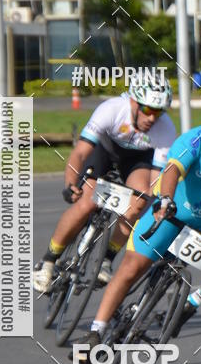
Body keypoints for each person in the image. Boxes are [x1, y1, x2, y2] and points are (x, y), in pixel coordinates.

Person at [75, 86, 201, 356]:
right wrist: (166, 200)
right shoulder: (200, 139)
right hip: (171, 211)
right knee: (132, 267)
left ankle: (188, 305)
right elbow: (171, 170)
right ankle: (95, 331)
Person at [33, 70, 176, 294]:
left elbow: (156, 179)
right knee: (88, 202)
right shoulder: (111, 109)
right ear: (133, 101)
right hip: (105, 150)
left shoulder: (165, 128)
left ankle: (108, 259)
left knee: (140, 200)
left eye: (158, 112)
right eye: (147, 109)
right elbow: (80, 153)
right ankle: (48, 260)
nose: (152, 118)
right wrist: (70, 183)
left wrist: (157, 204)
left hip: (137, 159)